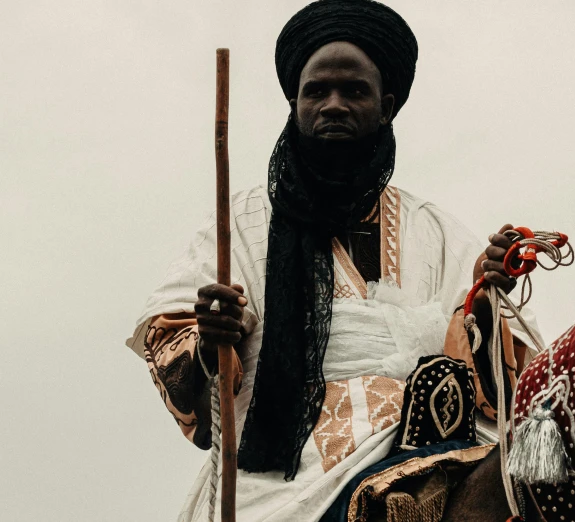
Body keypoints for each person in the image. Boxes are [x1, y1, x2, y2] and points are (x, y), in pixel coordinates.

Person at [126, 1, 539, 520]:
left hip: (441, 440)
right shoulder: (241, 224)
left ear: (385, 105)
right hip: (287, 476)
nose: (334, 104)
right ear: (295, 104)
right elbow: (172, 340)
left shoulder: (434, 227)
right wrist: (212, 340)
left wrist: (483, 297)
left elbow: (503, 380)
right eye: (316, 91)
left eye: (354, 91)